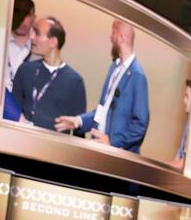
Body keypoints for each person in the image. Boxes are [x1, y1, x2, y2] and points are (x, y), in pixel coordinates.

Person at [55, 20, 149, 153]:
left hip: (117, 159)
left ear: (121, 38)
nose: (111, 37)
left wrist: (113, 142)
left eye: (113, 33)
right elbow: (102, 111)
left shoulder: (137, 75)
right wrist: (79, 121)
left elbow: (140, 125)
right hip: (100, 151)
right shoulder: (114, 69)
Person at [11, 17, 86, 131]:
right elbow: (12, 110)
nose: (31, 37)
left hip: (52, 147)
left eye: (37, 33)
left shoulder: (75, 81)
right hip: (19, 141)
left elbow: (78, 129)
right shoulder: (25, 69)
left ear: (53, 42)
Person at [5, 0, 35, 92]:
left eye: (27, 14)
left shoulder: (40, 51)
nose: (22, 20)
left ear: (34, 18)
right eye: (17, 12)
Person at [169, 79, 191, 169]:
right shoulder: (188, 124)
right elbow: (178, 156)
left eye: (187, 96)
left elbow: (185, 164)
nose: (184, 100)